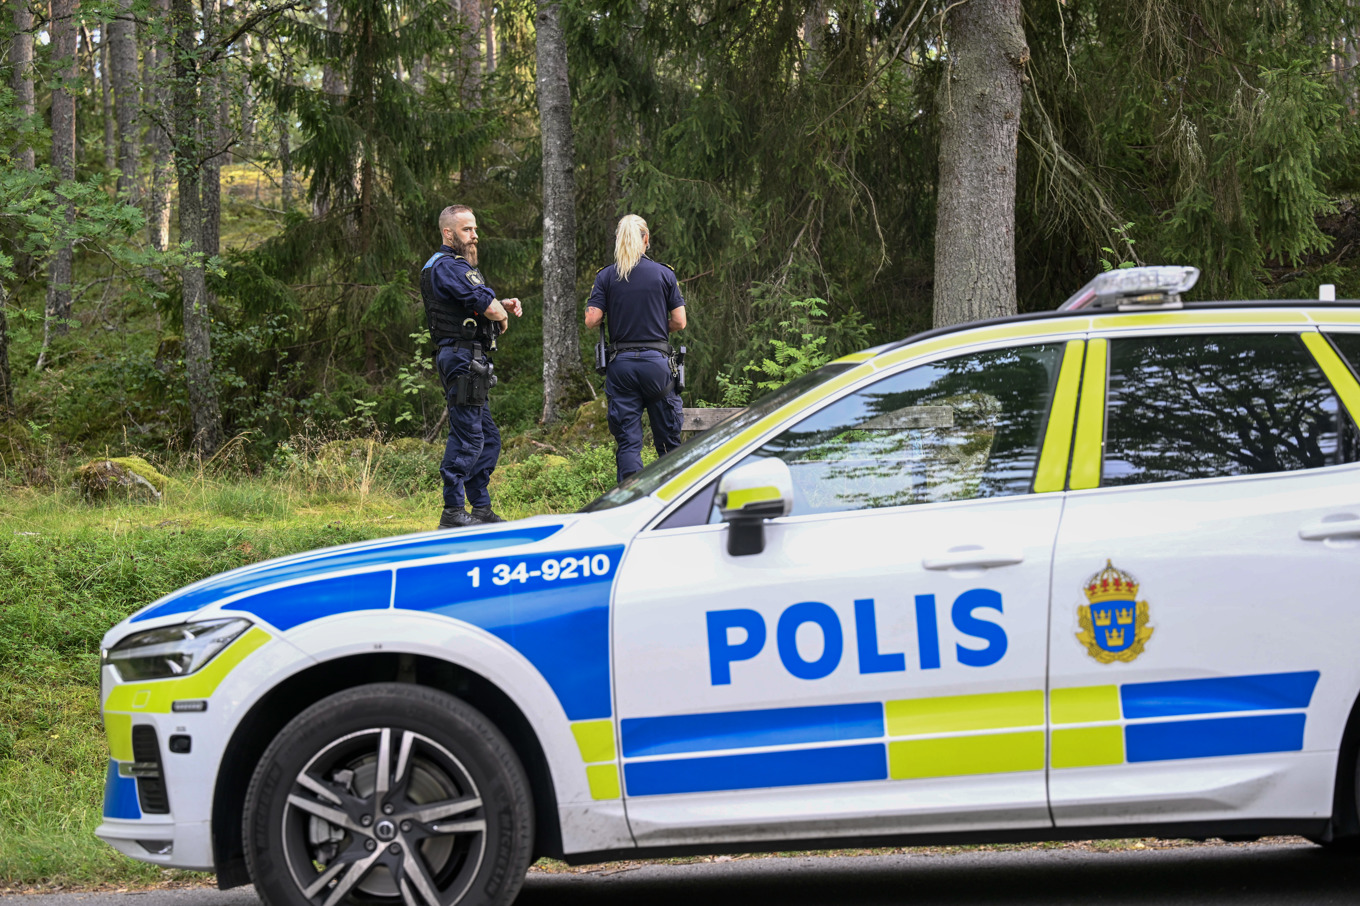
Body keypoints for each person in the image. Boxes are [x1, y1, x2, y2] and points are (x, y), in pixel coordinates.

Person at [421, 205, 523, 528]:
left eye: (475, 229)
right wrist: (500, 312)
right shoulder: (447, 266)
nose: (475, 235)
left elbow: (474, 303)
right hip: (462, 360)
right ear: (448, 233)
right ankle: (452, 511)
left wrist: (500, 304)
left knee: (488, 438)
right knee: (468, 438)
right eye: (467, 230)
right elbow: (484, 305)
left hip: (472, 361)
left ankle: (480, 508)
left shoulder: (455, 268)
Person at [586, 214, 687, 484]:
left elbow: (591, 319)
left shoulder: (606, 276)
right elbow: (680, 321)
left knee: (629, 443)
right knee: (668, 442)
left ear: (618, 240)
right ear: (646, 240)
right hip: (658, 366)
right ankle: (674, 496)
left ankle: (629, 503)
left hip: (622, 368)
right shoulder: (665, 274)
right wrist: (653, 325)